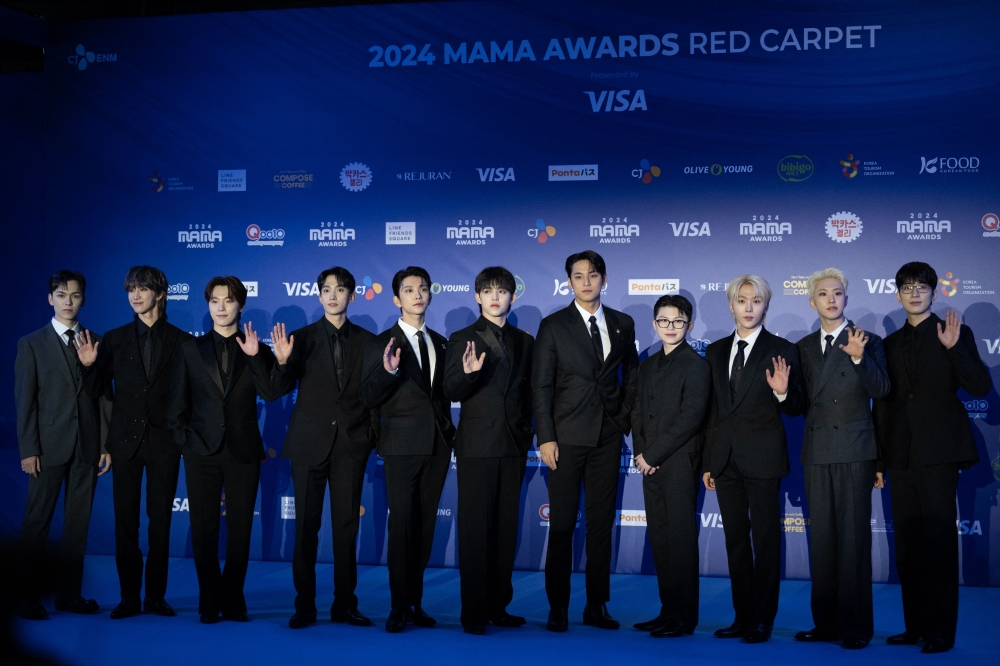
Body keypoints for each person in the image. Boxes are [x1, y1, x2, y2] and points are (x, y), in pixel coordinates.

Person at [873, 261, 991, 654]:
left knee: (939, 543)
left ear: (934, 292)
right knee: (906, 545)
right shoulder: (887, 345)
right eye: (907, 287)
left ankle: (941, 631)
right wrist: (879, 461)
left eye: (922, 287)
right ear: (898, 294)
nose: (914, 293)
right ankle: (915, 626)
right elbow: (885, 405)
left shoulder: (955, 333)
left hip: (940, 453)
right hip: (901, 454)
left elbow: (979, 387)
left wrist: (955, 349)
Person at [76, 266, 193, 620]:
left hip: (165, 445)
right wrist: (88, 367)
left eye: (142, 289)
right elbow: (97, 392)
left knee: (161, 523)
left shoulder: (183, 341)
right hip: (124, 443)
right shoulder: (113, 339)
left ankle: (156, 598)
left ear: (160, 293)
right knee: (125, 523)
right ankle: (129, 598)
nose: (135, 295)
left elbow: (190, 396)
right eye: (130, 289)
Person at [532, 250, 639, 632]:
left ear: (603, 279)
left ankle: (597, 605)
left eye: (593, 275)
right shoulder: (554, 325)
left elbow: (633, 374)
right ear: (570, 282)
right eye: (578, 276)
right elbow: (541, 385)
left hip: (608, 436)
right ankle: (557, 606)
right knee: (561, 526)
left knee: (599, 525)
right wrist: (545, 437)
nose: (586, 281)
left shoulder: (624, 323)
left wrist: (624, 415)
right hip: (565, 437)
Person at [270, 267, 378, 630]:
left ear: (352, 295)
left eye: (341, 289)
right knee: (306, 531)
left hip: (350, 446)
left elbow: (374, 397)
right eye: (327, 290)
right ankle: (304, 606)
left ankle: (345, 604)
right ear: (318, 296)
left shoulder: (368, 340)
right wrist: (283, 361)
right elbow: (276, 390)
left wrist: (368, 440)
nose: (333, 295)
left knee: (346, 530)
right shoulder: (298, 339)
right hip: (308, 447)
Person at [167, 276, 277, 624]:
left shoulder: (256, 348)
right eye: (215, 300)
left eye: (228, 300)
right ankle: (209, 600)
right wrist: (186, 444)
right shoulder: (190, 351)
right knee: (204, 529)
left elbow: (272, 393)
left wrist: (256, 356)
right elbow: (176, 408)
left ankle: (234, 599)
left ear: (240, 305)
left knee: (241, 529)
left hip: (243, 451)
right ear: (208, 305)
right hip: (201, 451)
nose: (221, 307)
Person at [702, 275, 804, 644]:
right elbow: (713, 412)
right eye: (741, 300)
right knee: (735, 543)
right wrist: (710, 462)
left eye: (756, 301)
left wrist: (782, 393)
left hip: (763, 460)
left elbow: (797, 408)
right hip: (725, 462)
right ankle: (742, 616)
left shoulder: (783, 349)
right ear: (730, 305)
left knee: (764, 542)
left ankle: (763, 620)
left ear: (765, 306)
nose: (748, 307)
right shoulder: (714, 352)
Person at [793, 268, 889, 649]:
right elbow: (799, 404)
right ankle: (826, 624)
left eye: (837, 293)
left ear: (846, 298)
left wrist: (861, 358)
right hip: (816, 452)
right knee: (822, 543)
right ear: (812, 301)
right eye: (822, 294)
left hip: (854, 451)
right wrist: (784, 394)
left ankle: (855, 628)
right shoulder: (800, 347)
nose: (830, 299)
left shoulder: (868, 340)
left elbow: (882, 391)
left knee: (852, 542)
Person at [360, 266, 455, 633]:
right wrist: (386, 372)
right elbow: (366, 397)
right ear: (397, 299)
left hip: (437, 446)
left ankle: (415, 602)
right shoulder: (380, 343)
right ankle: (398, 606)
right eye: (409, 289)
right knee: (401, 527)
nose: (418, 294)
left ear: (430, 295)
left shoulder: (443, 343)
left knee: (425, 527)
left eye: (423, 288)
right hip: (400, 447)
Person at [443, 266, 534, 635]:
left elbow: (531, 393)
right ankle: (474, 612)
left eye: (503, 290)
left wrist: (528, 433)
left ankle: (499, 606)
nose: (496, 296)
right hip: (477, 447)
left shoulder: (526, 341)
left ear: (513, 296)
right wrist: (467, 374)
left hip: (513, 446)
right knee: (476, 531)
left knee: (505, 530)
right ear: (478, 297)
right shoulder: (461, 337)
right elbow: (450, 390)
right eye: (488, 291)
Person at [15, 270, 110, 619]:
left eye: (75, 295)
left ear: (83, 298)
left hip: (87, 446)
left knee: (77, 524)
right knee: (36, 523)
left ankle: (70, 595)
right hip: (47, 447)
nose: (68, 301)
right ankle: (24, 596)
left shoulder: (96, 340)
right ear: (50, 298)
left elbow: (103, 398)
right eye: (61, 294)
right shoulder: (31, 344)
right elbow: (25, 401)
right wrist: (28, 449)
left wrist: (104, 443)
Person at [630, 294, 710, 638]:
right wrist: (641, 455)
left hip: (678, 462)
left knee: (679, 542)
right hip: (650, 463)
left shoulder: (696, 365)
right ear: (654, 324)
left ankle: (684, 617)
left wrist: (653, 454)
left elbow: (690, 418)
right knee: (661, 540)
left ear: (689, 326)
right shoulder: (646, 365)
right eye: (663, 320)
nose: (670, 327)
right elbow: (636, 413)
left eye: (678, 321)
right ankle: (667, 610)